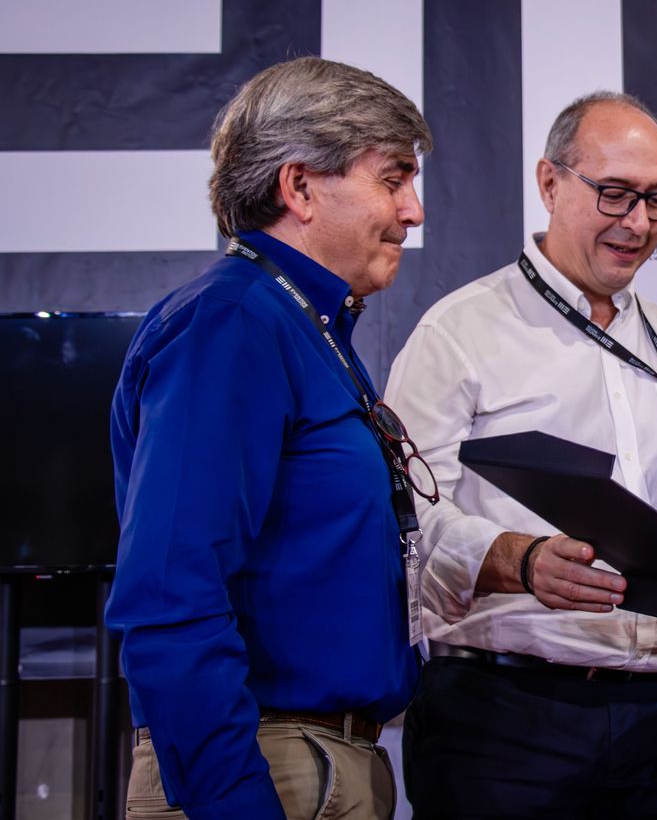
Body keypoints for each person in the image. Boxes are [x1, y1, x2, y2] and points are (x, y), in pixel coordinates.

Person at [384, 90, 657, 818]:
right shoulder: (459, 333)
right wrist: (516, 558)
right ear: (550, 183)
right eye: (615, 193)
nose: (637, 222)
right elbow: (407, 524)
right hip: (502, 721)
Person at [106, 56, 433, 819]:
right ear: (300, 187)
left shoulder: (301, 325)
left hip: (318, 763)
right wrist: (233, 800)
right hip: (266, 768)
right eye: (392, 179)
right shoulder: (232, 323)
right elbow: (170, 594)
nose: (413, 211)